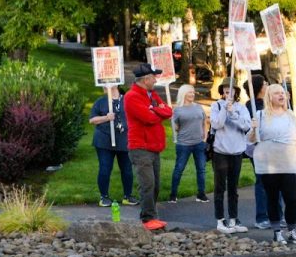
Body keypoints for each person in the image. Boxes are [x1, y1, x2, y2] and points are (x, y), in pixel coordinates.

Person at [249, 83, 296, 245]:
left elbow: (293, 131)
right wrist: (253, 129)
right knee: (273, 198)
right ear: (269, 96)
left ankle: (292, 230)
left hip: (287, 161)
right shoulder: (261, 115)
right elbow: (250, 139)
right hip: (268, 161)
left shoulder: (290, 114)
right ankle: (277, 232)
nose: (281, 96)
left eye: (282, 93)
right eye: (277, 93)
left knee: (291, 198)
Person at [122, 63, 174, 230]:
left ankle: (152, 216)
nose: (155, 79)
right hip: (140, 147)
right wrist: (157, 111)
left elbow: (168, 111)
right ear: (145, 79)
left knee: (155, 184)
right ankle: (147, 219)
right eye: (153, 77)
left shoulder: (151, 95)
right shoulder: (132, 96)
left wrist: (155, 109)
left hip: (153, 147)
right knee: (147, 183)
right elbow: (148, 118)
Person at [209, 81, 252, 233]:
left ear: (236, 92)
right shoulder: (217, 106)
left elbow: (246, 126)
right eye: (226, 91)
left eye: (232, 91)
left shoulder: (241, 107)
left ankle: (233, 218)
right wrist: (224, 110)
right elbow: (216, 124)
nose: (229, 94)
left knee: (233, 188)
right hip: (221, 151)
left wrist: (233, 112)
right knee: (220, 187)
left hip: (237, 152)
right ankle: (220, 220)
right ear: (222, 92)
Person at [88, 84, 137, 208]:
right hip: (104, 140)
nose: (105, 86)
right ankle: (104, 197)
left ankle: (127, 196)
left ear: (116, 84)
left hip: (124, 140)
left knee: (127, 169)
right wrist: (106, 117)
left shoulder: (127, 100)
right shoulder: (101, 101)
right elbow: (92, 120)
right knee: (105, 169)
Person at [247, 77, 283, 230]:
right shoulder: (252, 106)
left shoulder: (272, 104)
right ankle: (262, 217)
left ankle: (278, 216)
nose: (267, 86)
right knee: (262, 182)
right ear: (259, 88)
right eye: (265, 84)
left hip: (276, 147)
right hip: (260, 149)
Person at [168, 84, 209, 203]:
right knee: (179, 169)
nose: (192, 94)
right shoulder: (177, 110)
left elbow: (204, 122)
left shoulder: (198, 107)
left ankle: (201, 194)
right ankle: (173, 194)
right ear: (183, 94)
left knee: (201, 169)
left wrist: (204, 138)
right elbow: (176, 128)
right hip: (183, 144)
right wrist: (172, 120)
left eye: (193, 92)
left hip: (199, 143)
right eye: (190, 92)